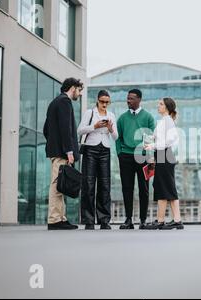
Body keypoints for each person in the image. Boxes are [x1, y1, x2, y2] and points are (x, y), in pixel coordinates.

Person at [43, 78, 83, 230]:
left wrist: (54, 143)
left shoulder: (54, 102)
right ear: (73, 88)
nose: (79, 94)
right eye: (78, 91)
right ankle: (54, 220)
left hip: (56, 150)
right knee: (56, 185)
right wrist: (68, 151)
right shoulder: (65, 102)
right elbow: (66, 129)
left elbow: (46, 129)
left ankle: (61, 218)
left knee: (60, 184)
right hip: (62, 152)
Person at [78, 90, 118, 230]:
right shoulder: (90, 113)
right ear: (97, 100)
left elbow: (115, 137)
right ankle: (89, 220)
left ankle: (104, 220)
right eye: (102, 101)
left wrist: (110, 128)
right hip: (90, 149)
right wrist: (94, 126)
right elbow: (80, 130)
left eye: (107, 102)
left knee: (105, 185)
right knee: (88, 185)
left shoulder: (111, 115)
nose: (104, 104)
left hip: (105, 150)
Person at [116, 89, 156, 229]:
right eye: (127, 98)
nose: (128, 101)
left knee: (143, 189)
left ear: (139, 100)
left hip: (143, 157)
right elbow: (118, 138)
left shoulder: (148, 118)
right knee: (127, 188)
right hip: (125, 156)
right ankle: (128, 220)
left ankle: (143, 220)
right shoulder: (122, 118)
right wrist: (119, 153)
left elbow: (151, 139)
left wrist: (151, 159)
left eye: (131, 98)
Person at [144, 98, 184, 230]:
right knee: (163, 186)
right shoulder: (163, 121)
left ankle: (164, 220)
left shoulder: (168, 121)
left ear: (167, 107)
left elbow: (170, 140)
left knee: (166, 187)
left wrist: (152, 145)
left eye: (161, 104)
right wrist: (152, 141)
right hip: (162, 155)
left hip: (165, 154)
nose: (158, 106)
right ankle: (171, 220)